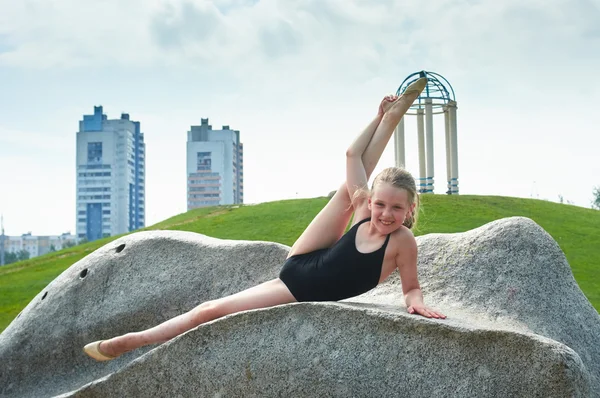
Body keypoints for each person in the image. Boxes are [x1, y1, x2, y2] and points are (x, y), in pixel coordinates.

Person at [83, 77, 446, 362]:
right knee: (347, 193)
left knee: (208, 311)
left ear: (410, 210)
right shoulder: (366, 208)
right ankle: (392, 120)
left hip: (300, 288)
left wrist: (415, 301)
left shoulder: (402, 242)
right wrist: (378, 117)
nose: (385, 214)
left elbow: (410, 287)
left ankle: (127, 343)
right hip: (303, 264)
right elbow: (352, 154)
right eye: (381, 204)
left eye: (396, 209)